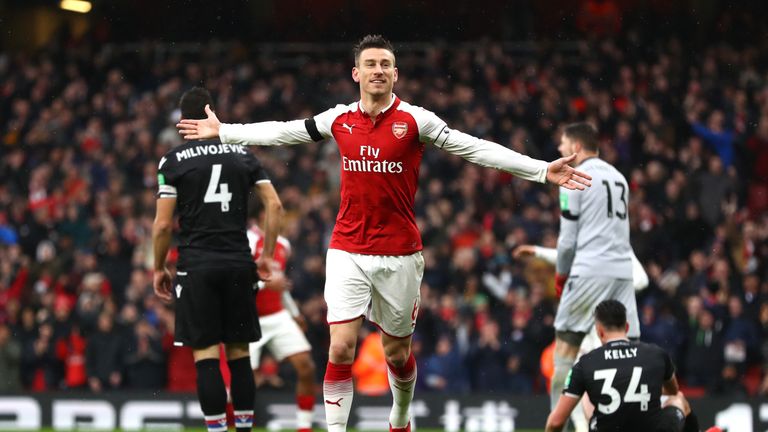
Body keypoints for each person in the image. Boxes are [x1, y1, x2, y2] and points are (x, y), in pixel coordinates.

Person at [177, 35, 592, 432]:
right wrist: (226, 131)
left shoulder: (416, 120)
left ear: (396, 74)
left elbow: (474, 147)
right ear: (355, 73)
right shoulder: (338, 118)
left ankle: (400, 415)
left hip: (399, 254)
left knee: (397, 353)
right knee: (340, 348)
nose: (378, 70)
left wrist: (540, 169)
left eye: (386, 65)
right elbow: (285, 131)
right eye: (370, 64)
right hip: (347, 249)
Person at [153, 87, 283, 432]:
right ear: (212, 113)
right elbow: (275, 205)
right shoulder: (243, 156)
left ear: (183, 122)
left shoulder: (173, 161)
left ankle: (215, 430)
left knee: (206, 355)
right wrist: (266, 256)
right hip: (239, 264)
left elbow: (164, 223)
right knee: (239, 355)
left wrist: (158, 267)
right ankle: (243, 429)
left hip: (197, 266)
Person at [547, 123, 640, 431]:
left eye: (563, 144)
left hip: (589, 269)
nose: (559, 150)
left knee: (564, 348)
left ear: (575, 147)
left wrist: (561, 275)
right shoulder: (620, 178)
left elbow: (568, 240)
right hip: (621, 272)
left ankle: (556, 424)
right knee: (627, 350)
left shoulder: (572, 176)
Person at [515, 242, 648, 432]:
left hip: (611, 360)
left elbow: (642, 281)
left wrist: (626, 247)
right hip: (588, 355)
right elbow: (570, 256)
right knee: (581, 413)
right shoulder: (588, 282)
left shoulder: (615, 288)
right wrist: (539, 252)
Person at [546, 300, 700, 432]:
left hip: (605, 428)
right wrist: (645, 388)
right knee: (678, 400)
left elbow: (556, 422)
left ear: (599, 331)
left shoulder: (585, 363)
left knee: (587, 394)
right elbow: (673, 390)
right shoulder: (656, 354)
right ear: (626, 327)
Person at [246, 223, 317, 432]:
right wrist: (265, 284)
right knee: (243, 380)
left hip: (277, 314)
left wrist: (294, 312)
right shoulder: (248, 240)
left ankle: (304, 427)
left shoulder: (282, 245)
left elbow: (281, 285)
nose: (281, 217)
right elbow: (237, 278)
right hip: (249, 318)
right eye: (278, 212)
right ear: (263, 214)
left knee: (306, 366)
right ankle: (237, 425)